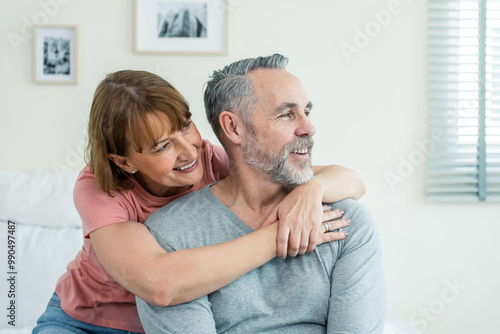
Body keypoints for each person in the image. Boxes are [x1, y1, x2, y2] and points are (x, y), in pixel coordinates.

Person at [32, 69, 365, 333]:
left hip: (163, 324)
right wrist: (279, 235)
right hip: (85, 322)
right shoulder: (99, 187)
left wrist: (312, 191)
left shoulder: (210, 159)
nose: (188, 150)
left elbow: (350, 180)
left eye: (185, 126)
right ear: (124, 162)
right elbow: (159, 284)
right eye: (163, 146)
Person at [136, 54, 386, 333]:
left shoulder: (345, 220)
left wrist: (313, 189)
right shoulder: (171, 235)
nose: (309, 128)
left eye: (307, 111)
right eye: (287, 114)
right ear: (233, 127)